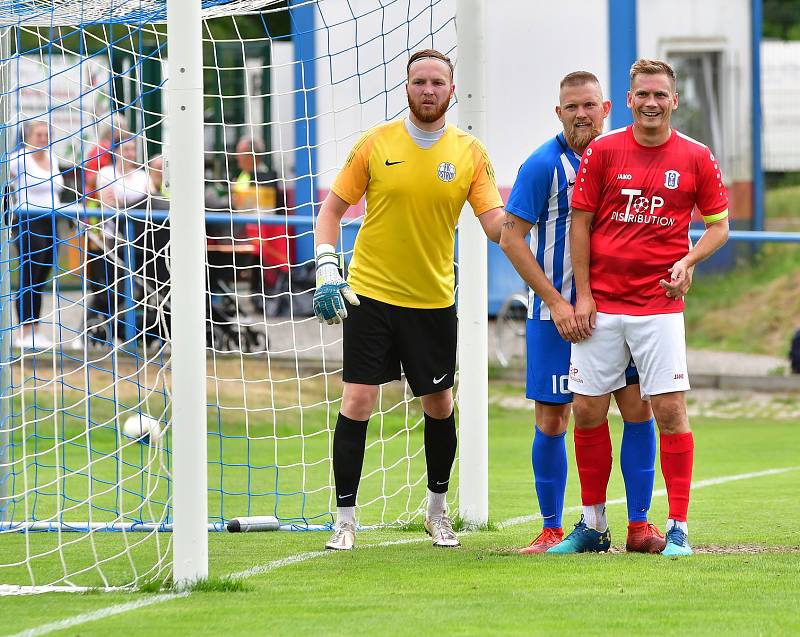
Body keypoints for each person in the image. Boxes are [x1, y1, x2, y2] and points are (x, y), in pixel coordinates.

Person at [313, 48, 504, 550]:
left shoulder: (470, 152)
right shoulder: (376, 143)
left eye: (437, 82)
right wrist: (328, 265)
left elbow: (495, 225)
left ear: (451, 90)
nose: (427, 90)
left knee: (439, 404)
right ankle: (345, 520)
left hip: (433, 300)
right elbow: (331, 211)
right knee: (358, 400)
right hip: (371, 295)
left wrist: (535, 219)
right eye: (419, 82)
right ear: (406, 89)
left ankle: (437, 512)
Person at [500, 71, 680, 554]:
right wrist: (557, 301)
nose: (582, 114)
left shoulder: (626, 156)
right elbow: (509, 236)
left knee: (637, 407)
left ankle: (639, 526)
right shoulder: (542, 166)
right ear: (558, 112)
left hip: (619, 312)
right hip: (555, 314)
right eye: (571, 107)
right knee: (555, 417)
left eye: (590, 106)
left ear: (606, 110)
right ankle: (554, 527)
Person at [555, 58, 729, 556]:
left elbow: (719, 225)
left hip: (658, 307)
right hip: (602, 307)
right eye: (642, 95)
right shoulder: (604, 152)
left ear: (674, 101)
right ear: (628, 101)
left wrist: (689, 261)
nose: (651, 103)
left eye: (660, 95)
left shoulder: (696, 156)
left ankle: (677, 527)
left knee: (670, 410)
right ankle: (592, 525)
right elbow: (581, 224)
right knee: (586, 411)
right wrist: (583, 295)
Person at [10, 120, 64, 349]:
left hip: (51, 222)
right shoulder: (19, 159)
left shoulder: (52, 157)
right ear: (29, 137)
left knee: (42, 276)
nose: (43, 139)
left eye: (46, 134)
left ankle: (36, 329)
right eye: (39, 135)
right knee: (29, 275)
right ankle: (23, 331)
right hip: (28, 221)